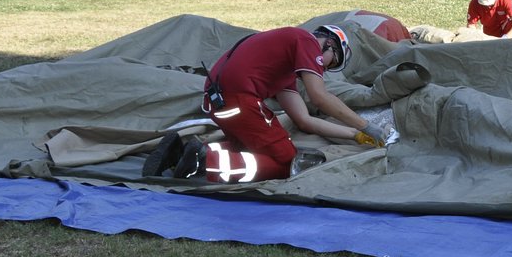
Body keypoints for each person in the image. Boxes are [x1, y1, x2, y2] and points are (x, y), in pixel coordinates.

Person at [146, 24, 391, 183]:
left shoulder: (283, 66)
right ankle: (202, 163)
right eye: (330, 62)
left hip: (218, 104)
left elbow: (304, 120)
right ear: (329, 44)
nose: (324, 68)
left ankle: (180, 151)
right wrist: (366, 126)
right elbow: (320, 97)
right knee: (287, 162)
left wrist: (355, 135)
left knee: (251, 149)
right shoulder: (305, 41)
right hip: (239, 99)